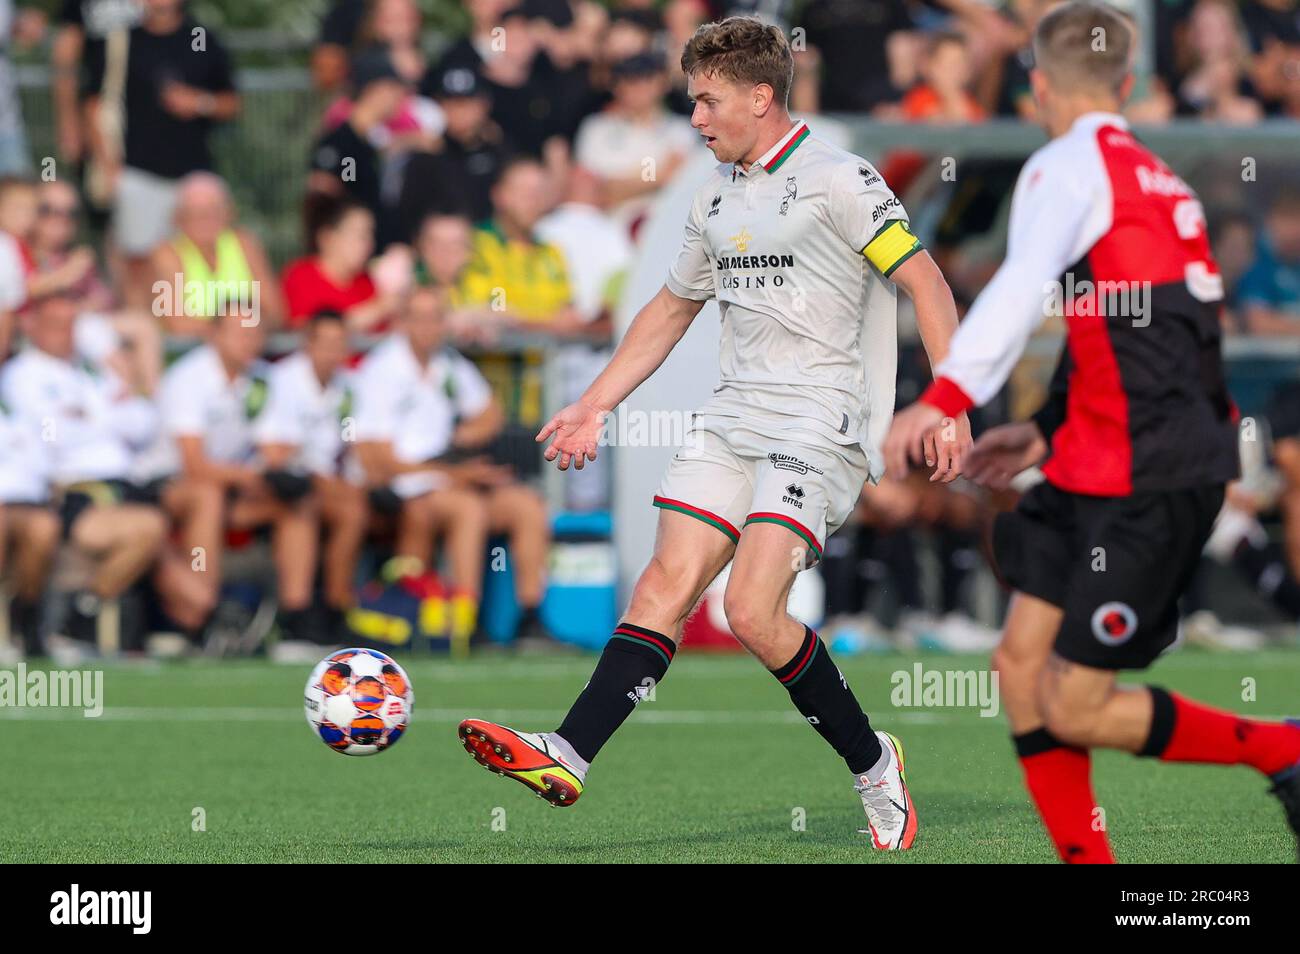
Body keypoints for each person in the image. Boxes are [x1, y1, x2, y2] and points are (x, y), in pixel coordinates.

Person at [458, 16, 971, 849]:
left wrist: (950, 400)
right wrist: (595, 404)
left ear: (760, 98)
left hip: (820, 419)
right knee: (664, 583)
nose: (693, 119)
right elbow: (668, 312)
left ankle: (874, 764)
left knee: (751, 612)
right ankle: (568, 752)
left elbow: (931, 287)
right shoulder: (712, 196)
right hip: (734, 416)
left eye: (706, 101)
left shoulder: (843, 180)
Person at [884, 1, 1300, 863]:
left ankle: (1287, 749)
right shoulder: (1158, 179)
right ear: (1123, 82)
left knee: (1072, 704)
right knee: (1019, 671)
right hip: (1101, 459)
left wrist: (946, 393)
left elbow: (1019, 286)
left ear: (1038, 84)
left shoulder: (1068, 166)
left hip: (1149, 471)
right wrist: (1041, 431)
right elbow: (1134, 330)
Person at [353, 287, 554, 646]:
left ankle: (530, 616)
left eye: (436, 318)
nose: (430, 327)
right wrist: (455, 473)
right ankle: (466, 620)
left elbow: (490, 413)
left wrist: (462, 439)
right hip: (409, 487)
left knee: (526, 505)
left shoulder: (449, 363)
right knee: (468, 508)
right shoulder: (381, 370)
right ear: (402, 322)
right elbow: (378, 458)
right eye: (421, 318)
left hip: (449, 476)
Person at [136, 314, 319, 643]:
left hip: (232, 483)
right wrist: (253, 474)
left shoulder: (264, 379)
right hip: (165, 486)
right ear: (214, 335)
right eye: (239, 333)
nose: (249, 341)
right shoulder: (188, 378)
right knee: (207, 495)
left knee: (296, 504)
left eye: (255, 333)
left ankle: (297, 621)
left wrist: (275, 474)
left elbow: (277, 447)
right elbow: (193, 465)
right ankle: (200, 615)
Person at [1, 291, 167, 648]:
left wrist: (96, 417)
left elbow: (144, 421)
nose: (65, 334)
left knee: (175, 512)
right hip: (78, 491)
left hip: (127, 481)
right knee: (151, 527)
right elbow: (54, 436)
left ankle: (93, 617)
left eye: (70, 325)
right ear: (32, 327)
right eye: (55, 325)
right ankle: (70, 616)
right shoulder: (24, 374)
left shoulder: (89, 368)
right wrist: (107, 417)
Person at [82, 0, 240, 303]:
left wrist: (198, 103)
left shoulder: (202, 39)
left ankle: (202, 329)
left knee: (204, 255)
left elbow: (231, 102)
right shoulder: (119, 41)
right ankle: (146, 335)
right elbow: (93, 105)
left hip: (194, 175)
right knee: (137, 263)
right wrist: (110, 166)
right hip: (137, 172)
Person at [255, 310, 366, 641]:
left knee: (355, 509)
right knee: (309, 508)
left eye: (339, 343)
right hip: (275, 483)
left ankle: (336, 608)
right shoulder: (281, 380)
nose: (333, 351)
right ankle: (300, 617)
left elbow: (351, 449)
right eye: (326, 342)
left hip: (321, 484)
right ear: (308, 344)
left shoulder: (347, 387)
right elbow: (275, 453)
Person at [149, 172, 285, 336]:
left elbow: (275, 313)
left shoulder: (245, 244)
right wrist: (235, 331)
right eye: (195, 214)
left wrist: (236, 333)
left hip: (249, 350)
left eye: (212, 212)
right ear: (179, 218)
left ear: (229, 213)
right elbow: (176, 323)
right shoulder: (167, 253)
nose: (205, 221)